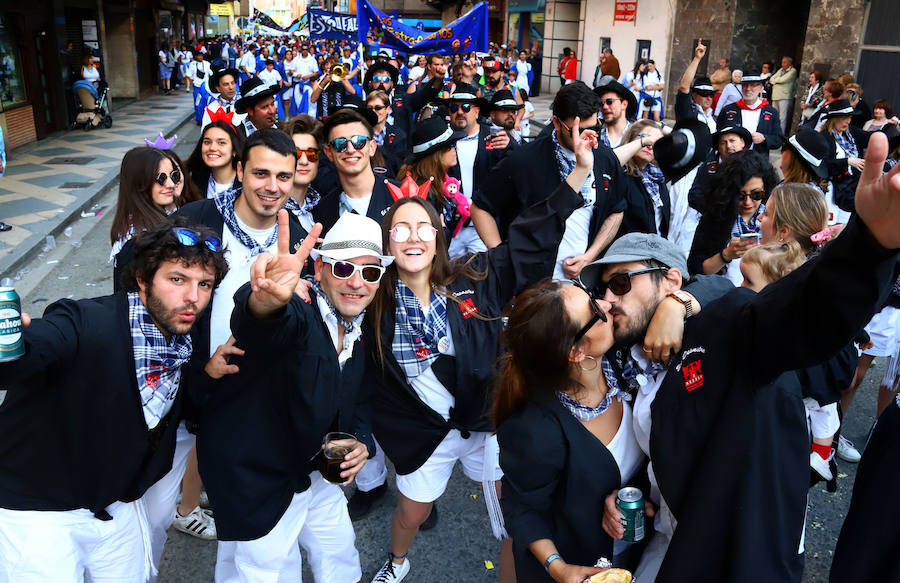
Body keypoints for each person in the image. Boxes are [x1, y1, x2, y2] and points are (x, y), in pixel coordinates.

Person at [583, 131, 900, 582]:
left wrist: (869, 247)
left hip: (726, 557)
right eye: (601, 289)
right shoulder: (627, 363)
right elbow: (664, 446)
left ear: (671, 281)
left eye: (620, 283)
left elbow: (797, 317)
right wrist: (630, 493)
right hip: (662, 545)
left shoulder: (722, 328)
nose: (608, 300)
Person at [366, 119, 599, 583]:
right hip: (426, 432)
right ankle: (396, 561)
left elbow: (529, 235)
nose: (412, 237)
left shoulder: (474, 277)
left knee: (513, 517)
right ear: (386, 240)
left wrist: (578, 174)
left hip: (486, 421)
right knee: (411, 513)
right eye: (400, 229)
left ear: (437, 237)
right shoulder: (371, 298)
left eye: (422, 228)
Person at [0, 217, 228, 582]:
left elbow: (173, 408)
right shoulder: (87, 322)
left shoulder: (179, 343)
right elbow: (35, 350)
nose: (193, 297)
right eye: (177, 279)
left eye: (204, 284)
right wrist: (12, 349)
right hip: (37, 512)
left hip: (115, 506)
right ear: (142, 279)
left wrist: (208, 375)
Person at [197, 210, 391, 583]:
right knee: (266, 571)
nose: (356, 283)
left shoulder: (360, 327)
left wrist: (362, 442)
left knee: (339, 555)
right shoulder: (300, 313)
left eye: (369, 272)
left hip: (316, 470)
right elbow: (262, 325)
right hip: (261, 475)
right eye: (343, 269)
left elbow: (361, 395)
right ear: (317, 269)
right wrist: (267, 300)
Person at [495, 280, 646, 578]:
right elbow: (522, 509)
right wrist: (559, 567)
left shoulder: (625, 364)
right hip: (584, 562)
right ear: (576, 352)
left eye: (592, 296)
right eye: (595, 310)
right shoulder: (535, 428)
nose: (606, 303)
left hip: (639, 550)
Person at [472, 82, 626, 281]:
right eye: (577, 131)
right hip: (532, 286)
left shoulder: (605, 158)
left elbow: (616, 210)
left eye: (595, 128)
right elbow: (480, 207)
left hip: (583, 284)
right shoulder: (524, 159)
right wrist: (503, 259)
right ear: (556, 123)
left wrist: (589, 256)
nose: (587, 138)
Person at [442, 83, 516, 256]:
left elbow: (520, 165)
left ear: (476, 111)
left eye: (466, 107)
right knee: (449, 277)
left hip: (484, 223)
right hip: (454, 225)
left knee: (483, 275)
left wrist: (511, 146)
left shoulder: (493, 136)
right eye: (454, 108)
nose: (460, 112)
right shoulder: (444, 140)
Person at [687, 150, 779, 284]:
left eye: (756, 195)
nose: (748, 202)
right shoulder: (715, 218)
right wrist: (726, 255)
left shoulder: (774, 218)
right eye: (740, 196)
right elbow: (696, 268)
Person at [110, 146, 203, 277]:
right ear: (140, 182)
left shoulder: (176, 212)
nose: (171, 184)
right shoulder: (136, 239)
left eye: (174, 175)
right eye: (161, 178)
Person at [313, 109, 395, 232]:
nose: (350, 149)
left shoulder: (400, 195)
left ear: (372, 147)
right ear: (328, 153)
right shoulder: (322, 211)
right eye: (340, 144)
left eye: (359, 141)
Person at [619, 120, 669, 237]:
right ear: (631, 140)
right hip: (629, 250)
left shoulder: (657, 177)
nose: (650, 145)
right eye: (645, 138)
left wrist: (662, 127)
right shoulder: (620, 174)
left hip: (656, 247)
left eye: (656, 142)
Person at [717, 70, 784, 152]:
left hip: (758, 161)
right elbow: (719, 135)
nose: (748, 89)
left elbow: (778, 140)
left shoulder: (771, 112)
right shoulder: (728, 110)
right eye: (745, 85)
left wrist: (764, 138)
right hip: (733, 160)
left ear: (761, 88)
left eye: (753, 85)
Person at [282, 114, 324, 232]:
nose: (304, 161)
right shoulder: (270, 209)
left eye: (312, 154)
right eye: (296, 154)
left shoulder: (323, 208)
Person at [187, 120, 243, 199]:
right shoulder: (191, 183)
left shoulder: (247, 183)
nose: (212, 148)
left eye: (221, 143)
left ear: (234, 150)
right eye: (207, 142)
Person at [674, 39, 715, 132]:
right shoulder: (687, 111)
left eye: (711, 94)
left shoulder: (713, 118)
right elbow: (684, 87)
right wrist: (697, 58)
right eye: (704, 94)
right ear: (694, 95)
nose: (709, 98)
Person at [366, 90, 408, 174]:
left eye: (378, 108)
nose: (374, 111)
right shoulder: (360, 134)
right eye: (370, 108)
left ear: (388, 109)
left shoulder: (399, 135)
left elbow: (400, 168)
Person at [594, 76, 638, 148]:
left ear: (624, 104)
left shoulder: (636, 135)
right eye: (601, 104)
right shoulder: (594, 135)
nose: (604, 107)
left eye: (609, 101)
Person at [768, 56, 798, 134]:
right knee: (774, 116)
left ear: (789, 63)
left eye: (784, 62)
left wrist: (775, 81)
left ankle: (780, 135)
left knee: (782, 118)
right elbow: (771, 78)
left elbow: (783, 80)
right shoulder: (780, 70)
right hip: (775, 96)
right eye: (782, 62)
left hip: (784, 96)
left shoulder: (793, 71)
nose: (782, 64)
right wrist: (776, 81)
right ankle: (773, 132)